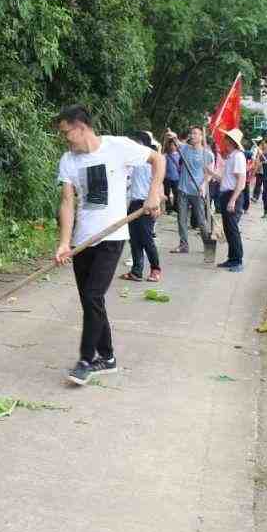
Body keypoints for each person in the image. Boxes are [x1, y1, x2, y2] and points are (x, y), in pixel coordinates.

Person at [53, 105, 164, 386]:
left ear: (81, 126)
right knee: (91, 301)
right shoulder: (68, 160)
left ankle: (86, 361)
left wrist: (154, 191)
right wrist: (64, 242)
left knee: (92, 296)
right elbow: (67, 202)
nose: (66, 139)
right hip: (82, 240)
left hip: (112, 237)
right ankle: (108, 357)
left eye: (67, 133)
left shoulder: (118, 146)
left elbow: (157, 159)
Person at [121, 132, 162, 283]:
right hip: (134, 204)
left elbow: (159, 185)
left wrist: (156, 203)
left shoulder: (152, 163)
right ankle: (136, 271)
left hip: (148, 204)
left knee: (146, 239)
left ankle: (155, 269)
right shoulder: (133, 163)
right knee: (134, 239)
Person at [167, 126, 214, 256]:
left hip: (197, 192)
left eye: (195, 133)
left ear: (201, 137)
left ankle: (208, 245)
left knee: (201, 220)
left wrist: (204, 185)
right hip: (183, 190)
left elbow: (209, 174)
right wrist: (173, 135)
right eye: (191, 133)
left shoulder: (207, 154)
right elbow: (176, 140)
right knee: (181, 219)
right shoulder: (184, 148)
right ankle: (183, 245)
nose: (192, 135)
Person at [214, 128, 248, 272]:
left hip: (232, 195)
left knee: (233, 229)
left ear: (232, 142)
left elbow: (241, 180)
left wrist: (233, 200)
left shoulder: (238, 157)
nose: (224, 142)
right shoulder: (231, 157)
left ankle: (238, 261)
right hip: (226, 194)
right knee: (228, 229)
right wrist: (211, 173)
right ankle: (232, 258)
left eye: (227, 140)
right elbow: (227, 179)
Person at [162, 134, 180, 214]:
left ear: (176, 146)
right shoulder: (166, 155)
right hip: (167, 178)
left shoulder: (180, 155)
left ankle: (176, 207)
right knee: (167, 194)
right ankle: (168, 208)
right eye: (171, 145)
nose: (172, 147)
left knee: (177, 194)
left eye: (173, 145)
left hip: (177, 178)